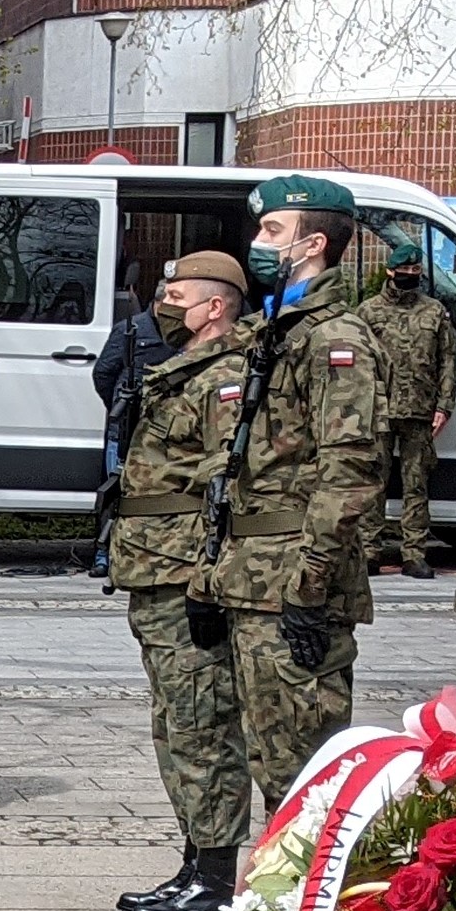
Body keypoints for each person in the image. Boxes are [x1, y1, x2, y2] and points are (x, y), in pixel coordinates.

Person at [193, 173, 387, 814]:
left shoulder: (334, 339)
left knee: (302, 772)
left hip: (293, 580)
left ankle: (307, 880)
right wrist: (208, 576)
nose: (258, 241)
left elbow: (349, 470)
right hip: (250, 576)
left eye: (273, 229)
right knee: (265, 753)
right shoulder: (274, 330)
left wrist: (309, 587)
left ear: (314, 244)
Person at [109, 252, 261, 911]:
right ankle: (195, 861)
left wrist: (208, 577)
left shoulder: (227, 377)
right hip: (153, 569)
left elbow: (229, 485)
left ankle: (215, 877)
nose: (162, 306)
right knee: (174, 724)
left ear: (214, 307)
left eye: (176, 296)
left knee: (203, 722)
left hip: (184, 572)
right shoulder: (181, 368)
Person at [358, 239, 455, 578]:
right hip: (379, 409)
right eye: (405, 270)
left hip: (419, 410)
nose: (411, 274)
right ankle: (369, 551)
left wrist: (445, 405)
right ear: (390, 272)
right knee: (374, 482)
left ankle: (414, 553)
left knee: (416, 484)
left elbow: (447, 361)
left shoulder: (434, 311)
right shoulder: (368, 312)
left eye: (416, 269)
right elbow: (359, 361)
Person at [87, 287, 173, 581]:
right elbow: (103, 373)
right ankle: (104, 554)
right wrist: (118, 407)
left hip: (163, 428)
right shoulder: (131, 329)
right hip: (125, 427)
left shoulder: (184, 332)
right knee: (116, 492)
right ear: (157, 302)